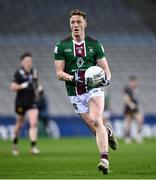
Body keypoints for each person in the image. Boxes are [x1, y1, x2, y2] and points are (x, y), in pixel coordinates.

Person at [54, 9, 118, 174]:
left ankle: (104, 160)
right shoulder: (61, 45)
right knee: (96, 129)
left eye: (78, 22)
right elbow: (59, 73)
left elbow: (106, 70)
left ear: (85, 24)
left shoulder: (95, 45)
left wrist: (106, 79)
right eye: (72, 22)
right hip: (75, 92)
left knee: (97, 121)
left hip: (94, 89)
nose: (75, 25)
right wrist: (73, 78)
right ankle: (108, 131)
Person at [10, 53, 43, 155]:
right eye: (27, 61)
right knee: (19, 125)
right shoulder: (18, 73)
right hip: (21, 102)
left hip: (32, 101)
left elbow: (37, 84)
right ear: (22, 62)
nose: (29, 63)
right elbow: (12, 87)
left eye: (30, 61)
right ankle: (15, 144)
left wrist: (40, 89)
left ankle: (33, 147)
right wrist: (22, 86)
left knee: (33, 123)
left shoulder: (34, 72)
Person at [123, 75, 144, 144]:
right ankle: (127, 137)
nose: (135, 83)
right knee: (128, 123)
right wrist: (130, 104)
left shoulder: (136, 89)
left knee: (140, 120)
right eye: (134, 82)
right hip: (128, 108)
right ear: (131, 82)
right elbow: (126, 98)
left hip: (135, 108)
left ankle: (138, 135)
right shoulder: (127, 88)